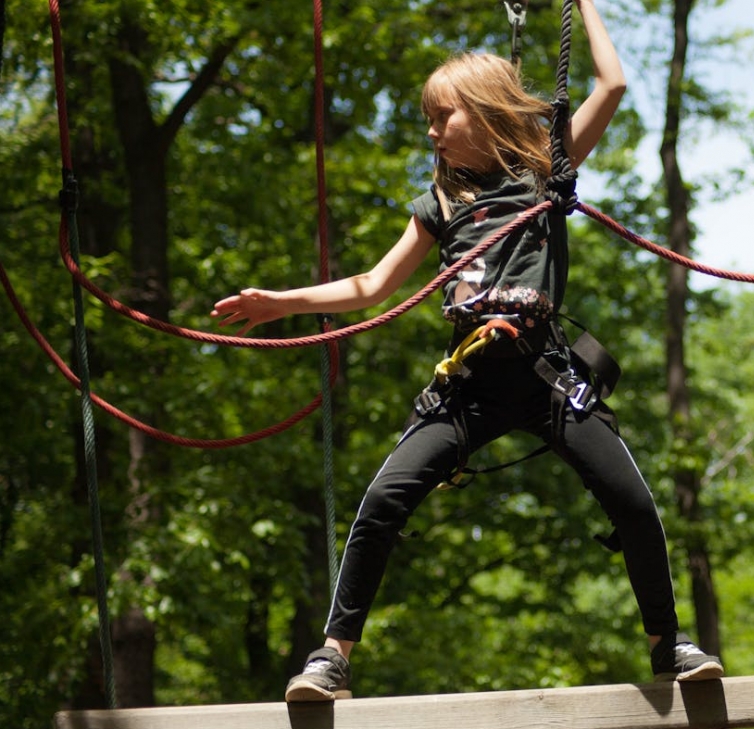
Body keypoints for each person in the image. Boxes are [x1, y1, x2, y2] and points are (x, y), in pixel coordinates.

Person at [211, 0, 723, 702]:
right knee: (383, 498)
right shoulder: (441, 204)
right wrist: (280, 302)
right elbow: (373, 284)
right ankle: (332, 657)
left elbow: (613, 87)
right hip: (470, 384)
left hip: (546, 377)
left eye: (441, 116)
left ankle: (669, 643)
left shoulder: (544, 171)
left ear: (482, 113)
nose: (431, 131)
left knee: (632, 500)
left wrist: (581, 3)